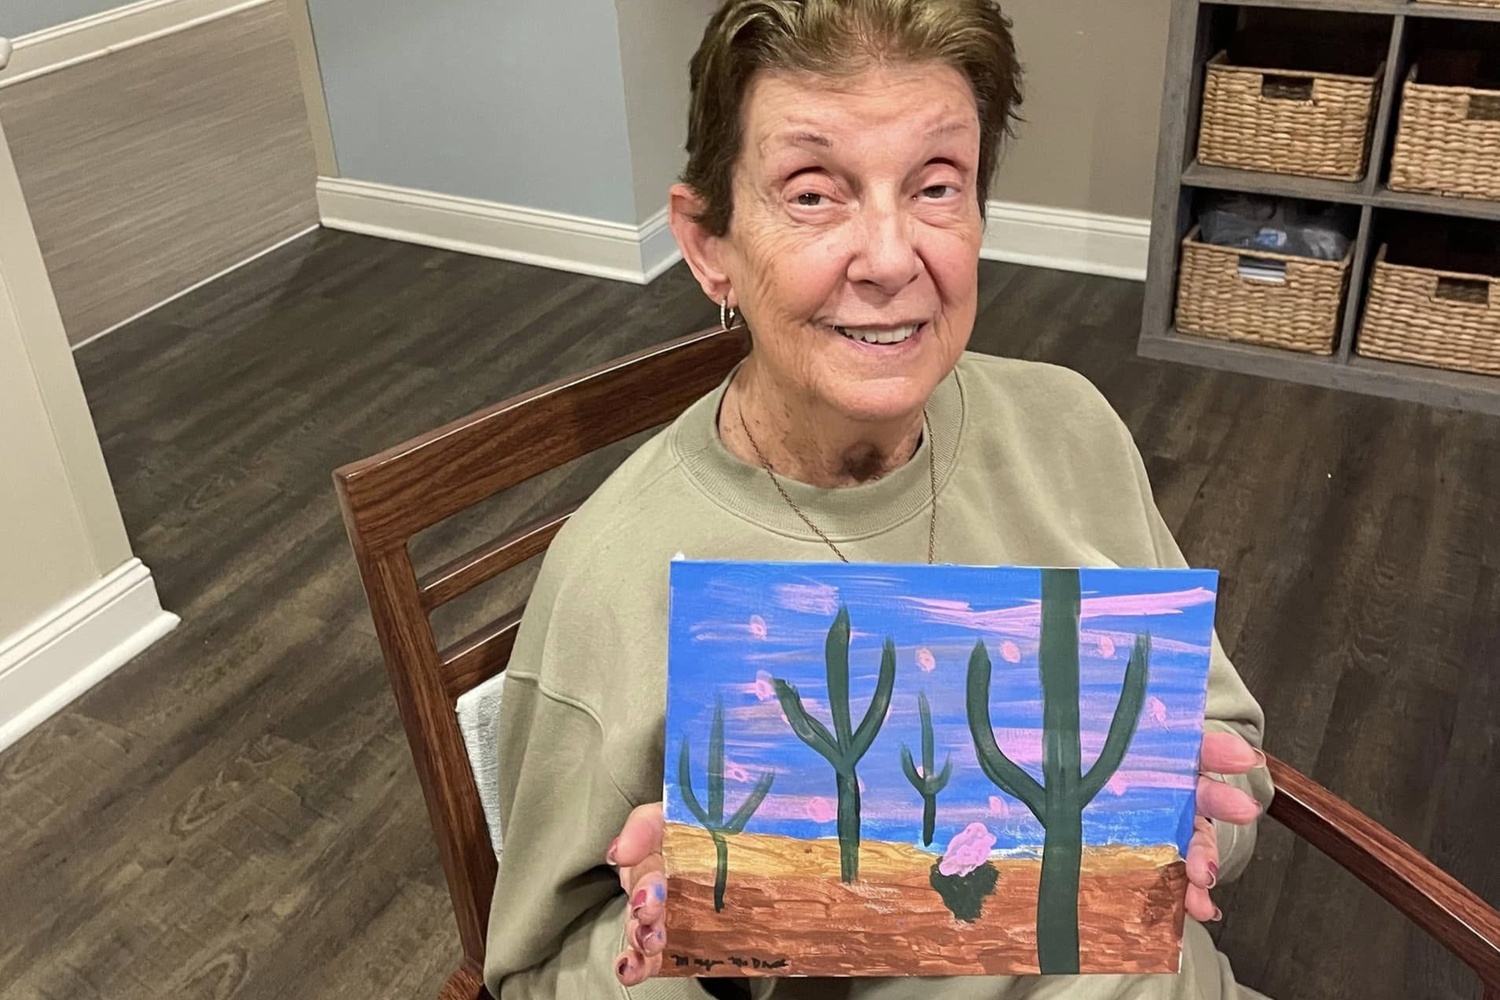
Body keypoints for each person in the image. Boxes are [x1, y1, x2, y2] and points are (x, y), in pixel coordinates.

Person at [482, 1, 1276, 997]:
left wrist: (1191, 812)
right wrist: (700, 938)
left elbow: (1229, 744)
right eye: (813, 195)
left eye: (937, 186)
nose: (893, 258)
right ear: (709, 242)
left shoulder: (1070, 427)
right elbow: (534, 975)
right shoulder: (618, 579)